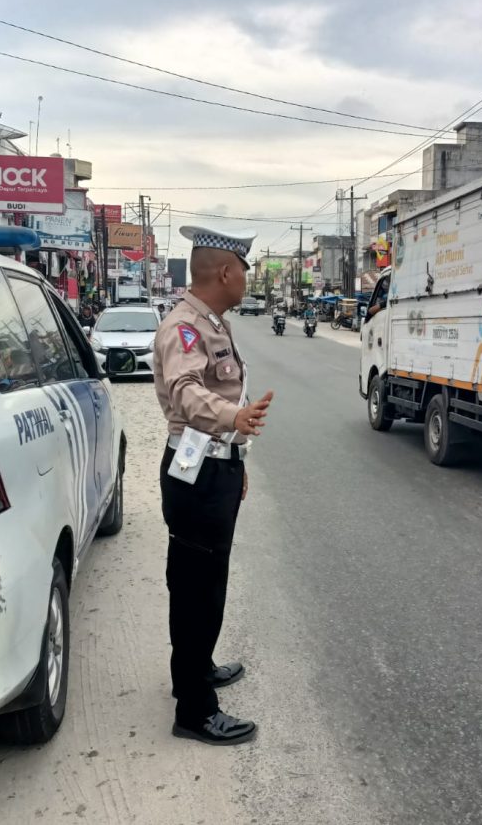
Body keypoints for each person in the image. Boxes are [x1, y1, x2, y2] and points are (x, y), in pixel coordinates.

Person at [152, 225, 274, 746]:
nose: (247, 278)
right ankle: (195, 710)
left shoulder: (212, 323)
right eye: (244, 269)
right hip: (195, 472)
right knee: (197, 590)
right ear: (225, 271)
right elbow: (185, 392)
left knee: (208, 583)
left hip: (212, 467)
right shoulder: (184, 326)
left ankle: (196, 668)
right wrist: (235, 417)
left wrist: (236, 462)